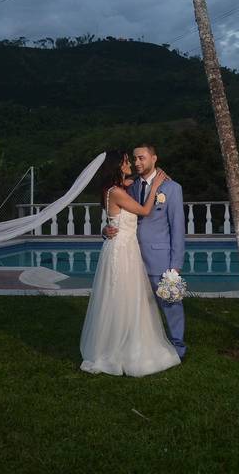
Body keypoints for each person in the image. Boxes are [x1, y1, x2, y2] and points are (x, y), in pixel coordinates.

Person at [79, 150, 181, 377]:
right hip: (123, 252)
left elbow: (133, 184)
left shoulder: (116, 188)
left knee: (121, 298)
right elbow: (144, 210)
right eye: (127, 161)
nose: (131, 164)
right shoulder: (117, 192)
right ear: (117, 166)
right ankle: (122, 348)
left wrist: (155, 178)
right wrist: (156, 188)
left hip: (122, 249)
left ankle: (120, 342)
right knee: (125, 299)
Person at [103, 144, 187, 360]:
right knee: (133, 307)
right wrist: (106, 230)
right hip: (129, 258)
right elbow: (116, 215)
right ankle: (135, 346)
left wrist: (175, 265)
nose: (137, 163)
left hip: (159, 258)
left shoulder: (171, 188)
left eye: (141, 158)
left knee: (170, 305)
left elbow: (178, 228)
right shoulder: (127, 187)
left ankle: (178, 347)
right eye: (134, 159)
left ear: (154, 158)